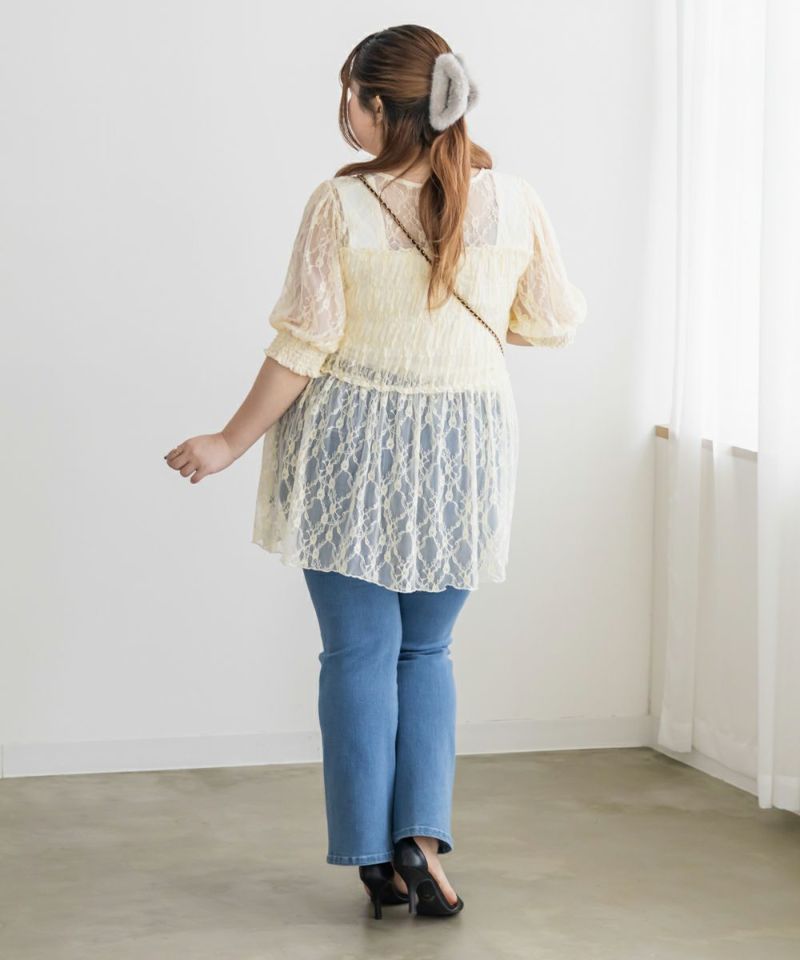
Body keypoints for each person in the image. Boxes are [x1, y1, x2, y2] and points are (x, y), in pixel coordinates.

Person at [164, 24, 587, 920]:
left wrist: (229, 442)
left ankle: (372, 857)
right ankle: (422, 847)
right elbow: (548, 320)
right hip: (465, 450)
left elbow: (304, 345)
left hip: (352, 448)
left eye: (350, 95)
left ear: (383, 109)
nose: (343, 112)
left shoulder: (340, 204)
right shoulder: (513, 200)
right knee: (427, 651)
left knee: (359, 653)